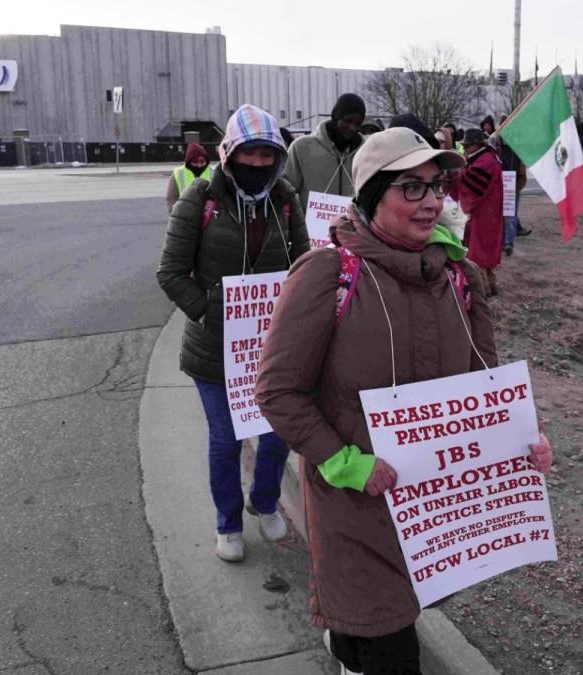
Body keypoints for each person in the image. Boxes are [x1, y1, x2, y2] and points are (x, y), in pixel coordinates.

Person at [256, 127, 553, 675]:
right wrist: (348, 463)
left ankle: (347, 650)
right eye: (411, 189)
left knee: (379, 625)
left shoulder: (459, 276)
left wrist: (522, 444)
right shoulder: (328, 274)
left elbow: (484, 384)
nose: (433, 202)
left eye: (437, 186)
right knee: (389, 644)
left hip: (428, 510)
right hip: (354, 504)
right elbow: (278, 391)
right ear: (373, 196)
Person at [156, 104, 311, 563]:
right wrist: (211, 313)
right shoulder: (198, 200)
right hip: (214, 351)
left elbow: (303, 266)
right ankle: (228, 521)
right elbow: (170, 273)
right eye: (249, 155)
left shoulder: (286, 200)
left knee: (278, 433)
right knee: (225, 439)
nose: (258, 165)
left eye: (268, 156)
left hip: (272, 349)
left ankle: (264, 501)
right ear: (231, 153)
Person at [284, 93, 366, 210]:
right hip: (307, 226)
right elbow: (286, 191)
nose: (352, 127)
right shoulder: (301, 147)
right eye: (347, 121)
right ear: (336, 117)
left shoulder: (366, 153)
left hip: (351, 227)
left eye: (357, 124)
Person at [455, 128, 505, 296]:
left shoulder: (484, 162)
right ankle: (492, 284)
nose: (466, 149)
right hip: (491, 211)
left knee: (478, 251)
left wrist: (459, 173)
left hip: (483, 212)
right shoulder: (490, 158)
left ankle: (483, 289)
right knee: (488, 251)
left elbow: (472, 184)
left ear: (476, 145)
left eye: (468, 146)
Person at [495, 114, 530, 255]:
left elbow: (523, 173)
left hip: (512, 189)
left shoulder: (517, 150)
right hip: (497, 188)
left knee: (510, 216)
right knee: (498, 216)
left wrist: (517, 187)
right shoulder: (496, 149)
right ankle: (500, 241)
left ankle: (509, 243)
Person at [167, 142, 212, 210]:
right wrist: (177, 215)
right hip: (185, 217)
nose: (199, 165)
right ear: (189, 162)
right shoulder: (178, 173)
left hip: (209, 217)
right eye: (195, 162)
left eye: (202, 162)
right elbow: (171, 199)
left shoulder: (214, 173)